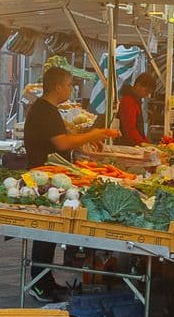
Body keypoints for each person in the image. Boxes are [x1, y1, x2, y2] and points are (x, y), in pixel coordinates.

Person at [23, 67, 120, 300]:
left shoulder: (47, 109)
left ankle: (45, 281)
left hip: (51, 176)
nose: (70, 89)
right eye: (68, 85)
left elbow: (62, 142)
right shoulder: (44, 111)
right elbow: (63, 143)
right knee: (45, 233)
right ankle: (39, 284)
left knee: (50, 233)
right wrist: (95, 134)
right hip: (44, 178)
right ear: (58, 87)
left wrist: (85, 142)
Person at [117, 71, 159, 145]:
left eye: (149, 93)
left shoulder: (136, 101)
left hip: (134, 144)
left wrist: (147, 143)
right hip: (127, 146)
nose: (146, 95)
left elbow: (139, 131)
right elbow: (130, 130)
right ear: (137, 85)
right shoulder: (128, 102)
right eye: (146, 91)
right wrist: (144, 144)